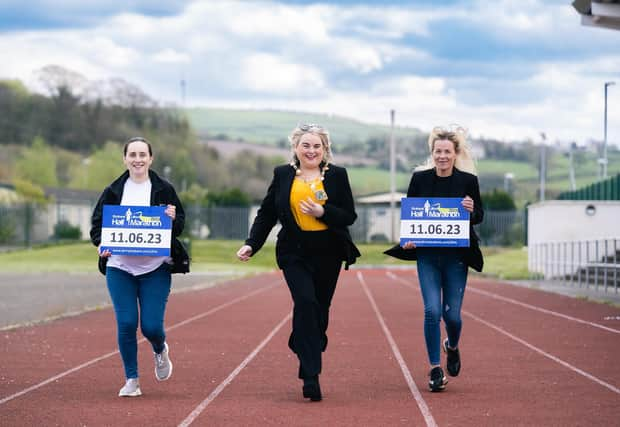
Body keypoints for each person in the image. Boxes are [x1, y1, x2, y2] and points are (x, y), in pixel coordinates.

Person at [236, 123, 360, 402]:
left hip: (329, 252)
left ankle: (301, 342)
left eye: (317, 146)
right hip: (294, 251)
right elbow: (267, 214)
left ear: (325, 149)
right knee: (305, 302)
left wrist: (323, 211)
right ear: (295, 148)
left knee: (320, 311)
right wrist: (251, 244)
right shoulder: (282, 175)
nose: (311, 150)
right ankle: (310, 374)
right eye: (306, 145)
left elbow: (348, 215)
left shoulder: (338, 175)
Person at [385, 125, 484, 392]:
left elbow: (478, 217)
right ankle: (434, 369)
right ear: (432, 153)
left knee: (453, 318)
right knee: (432, 311)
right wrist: (409, 238)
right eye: (437, 151)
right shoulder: (420, 179)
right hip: (427, 256)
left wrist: (472, 209)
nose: (442, 156)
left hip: (456, 258)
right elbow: (411, 216)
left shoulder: (468, 181)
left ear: (455, 154)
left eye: (447, 152)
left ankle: (451, 346)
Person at [90, 136, 189, 397]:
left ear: (150, 158)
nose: (137, 159)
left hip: (155, 268)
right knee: (126, 323)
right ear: (125, 159)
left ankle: (159, 349)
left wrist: (173, 217)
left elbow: (179, 226)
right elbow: (97, 227)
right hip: (119, 267)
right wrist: (102, 245)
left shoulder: (164, 189)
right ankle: (131, 380)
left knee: (151, 327)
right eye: (132, 154)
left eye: (142, 154)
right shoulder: (112, 191)